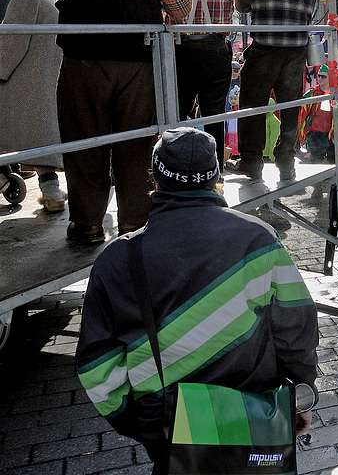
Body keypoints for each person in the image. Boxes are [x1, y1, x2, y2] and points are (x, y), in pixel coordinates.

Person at [75, 127, 319, 470]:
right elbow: (297, 330)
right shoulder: (258, 240)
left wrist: (144, 424)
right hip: (255, 414)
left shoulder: (116, 260)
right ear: (216, 176)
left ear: (155, 177)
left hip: (169, 427)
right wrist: (298, 396)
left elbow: (96, 367)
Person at [17, 0, 193, 243]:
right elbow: (181, 7)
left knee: (84, 140)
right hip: (137, 63)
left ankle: (88, 225)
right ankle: (132, 224)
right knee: (135, 143)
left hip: (83, 56)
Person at [231, 0, 318, 185]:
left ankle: (252, 162)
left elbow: (241, 5)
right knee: (289, 108)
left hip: (265, 48)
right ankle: (286, 163)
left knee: (253, 105)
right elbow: (310, 11)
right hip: (296, 51)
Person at [166, 0, 236, 167]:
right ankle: (214, 171)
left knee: (177, 114)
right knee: (215, 114)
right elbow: (229, 17)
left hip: (182, 50)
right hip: (216, 51)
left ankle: (176, 167)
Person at [0, 0, 64, 211]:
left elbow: (10, 43)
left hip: (17, 84)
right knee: (40, 140)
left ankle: (2, 178)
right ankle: (52, 194)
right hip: (42, 85)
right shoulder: (52, 1)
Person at [297, 64, 336, 163]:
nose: (320, 78)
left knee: (332, 160)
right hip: (314, 132)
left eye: (324, 76)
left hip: (330, 133)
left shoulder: (335, 93)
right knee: (316, 160)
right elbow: (302, 113)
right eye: (319, 76)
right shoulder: (311, 93)